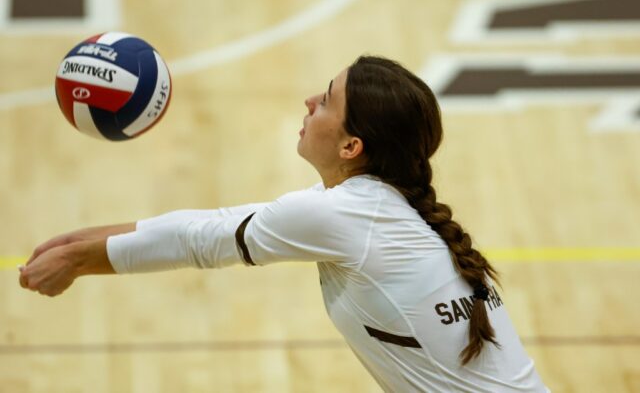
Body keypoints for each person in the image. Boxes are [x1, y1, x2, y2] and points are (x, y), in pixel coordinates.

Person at [19, 56, 549, 392]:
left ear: (351, 146)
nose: (310, 101)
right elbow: (221, 223)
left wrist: (80, 260)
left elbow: (202, 240)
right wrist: (84, 240)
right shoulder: (373, 205)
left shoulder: (344, 216)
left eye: (327, 98)